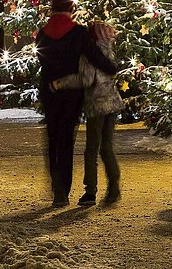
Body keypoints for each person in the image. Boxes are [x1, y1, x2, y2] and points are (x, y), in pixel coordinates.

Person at [37, 0, 117, 207]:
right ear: (71, 9)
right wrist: (111, 67)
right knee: (66, 140)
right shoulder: (78, 32)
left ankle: (58, 190)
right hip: (71, 93)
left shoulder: (43, 33)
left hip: (49, 91)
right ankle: (64, 188)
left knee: (53, 138)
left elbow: (42, 59)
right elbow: (95, 57)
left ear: (52, 8)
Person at [53, 21, 125, 206]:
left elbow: (85, 79)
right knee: (107, 146)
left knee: (91, 149)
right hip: (113, 103)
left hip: (97, 105)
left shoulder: (90, 53)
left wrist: (60, 83)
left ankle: (90, 192)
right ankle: (114, 187)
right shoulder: (108, 50)